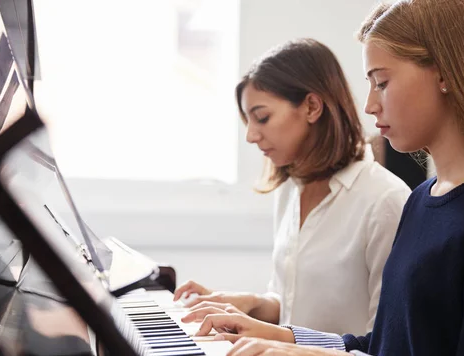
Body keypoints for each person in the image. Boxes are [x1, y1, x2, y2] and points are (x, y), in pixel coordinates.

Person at [186, 1, 464, 356]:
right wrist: (282, 338)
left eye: (381, 82)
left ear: (446, 74)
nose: (369, 104)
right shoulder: (423, 200)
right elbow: (388, 349)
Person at [174, 38, 410, 335]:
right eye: (248, 121)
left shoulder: (385, 200)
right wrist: (248, 304)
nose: (250, 135)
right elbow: (293, 304)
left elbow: (387, 343)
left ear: (312, 107)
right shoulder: (290, 190)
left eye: (262, 117)